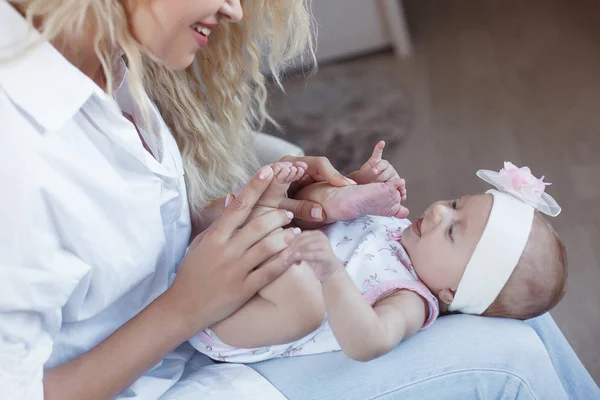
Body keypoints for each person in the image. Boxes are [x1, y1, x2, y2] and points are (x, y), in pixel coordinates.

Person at [0, 1, 598, 399]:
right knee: (513, 358)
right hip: (166, 372)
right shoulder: (22, 154)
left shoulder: (110, 72)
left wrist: (294, 205)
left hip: (209, 331)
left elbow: (133, 248)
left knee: (517, 297)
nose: (236, 10)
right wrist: (185, 307)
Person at [190, 145, 567, 363]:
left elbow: (370, 341)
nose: (438, 211)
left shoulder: (411, 299)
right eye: (455, 203)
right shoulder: (399, 233)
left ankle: (270, 214)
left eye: (452, 230)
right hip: (227, 262)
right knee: (297, 209)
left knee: (306, 302)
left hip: (233, 320)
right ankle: (320, 198)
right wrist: (362, 183)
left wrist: (332, 273)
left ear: (453, 291)